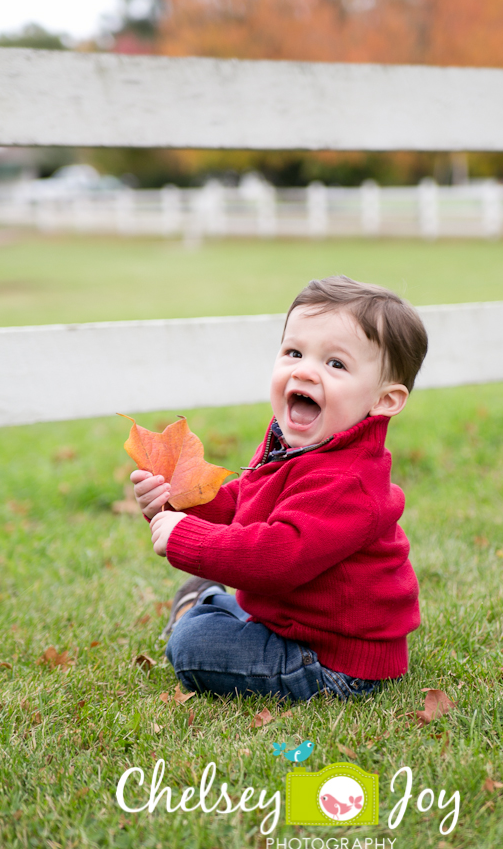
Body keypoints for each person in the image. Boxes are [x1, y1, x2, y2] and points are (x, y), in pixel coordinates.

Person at [131, 276, 428, 701]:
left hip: (335, 659)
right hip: (291, 617)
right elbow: (243, 506)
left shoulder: (349, 482)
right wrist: (176, 503)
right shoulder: (293, 443)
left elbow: (277, 557)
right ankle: (204, 603)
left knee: (194, 646)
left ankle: (196, 611)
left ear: (384, 400)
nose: (304, 369)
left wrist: (186, 538)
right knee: (220, 613)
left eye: (336, 364)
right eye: (294, 352)